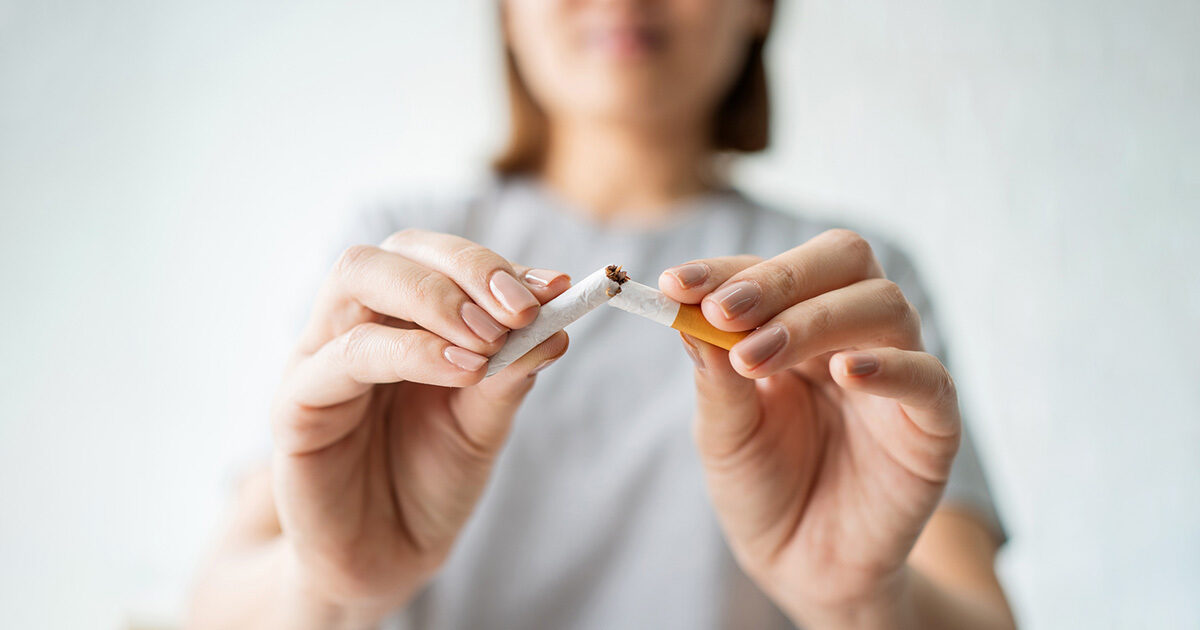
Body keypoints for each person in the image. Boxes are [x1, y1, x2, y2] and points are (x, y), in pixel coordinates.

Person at [187, 1, 1015, 628]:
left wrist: (863, 600)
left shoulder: (847, 285)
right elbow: (205, 606)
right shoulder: (397, 257)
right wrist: (327, 586)